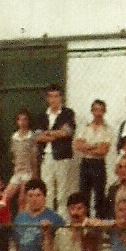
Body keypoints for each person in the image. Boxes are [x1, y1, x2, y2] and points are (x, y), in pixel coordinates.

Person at [33, 84, 77, 214]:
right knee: (48, 190)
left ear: (61, 97)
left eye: (56, 96)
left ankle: (63, 219)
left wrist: (47, 133)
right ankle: (49, 218)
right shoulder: (42, 116)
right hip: (46, 156)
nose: (53, 100)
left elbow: (67, 132)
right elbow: (37, 137)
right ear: (47, 98)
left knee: (63, 191)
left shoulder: (67, 113)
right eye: (51, 96)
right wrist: (56, 133)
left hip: (62, 156)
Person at [72, 98, 113, 219]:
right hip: (85, 163)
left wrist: (87, 147)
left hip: (98, 164)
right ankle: (85, 222)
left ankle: (99, 223)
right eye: (95, 110)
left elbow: (103, 151)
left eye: (100, 110)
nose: (98, 113)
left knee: (99, 196)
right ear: (92, 111)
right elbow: (78, 146)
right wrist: (95, 145)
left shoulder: (108, 129)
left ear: (104, 112)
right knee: (84, 195)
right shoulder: (84, 127)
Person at [11, 178, 63, 251]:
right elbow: (16, 245)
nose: (34, 199)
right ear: (26, 197)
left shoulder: (55, 218)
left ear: (44, 197)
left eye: (38, 195)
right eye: (30, 196)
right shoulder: (19, 218)